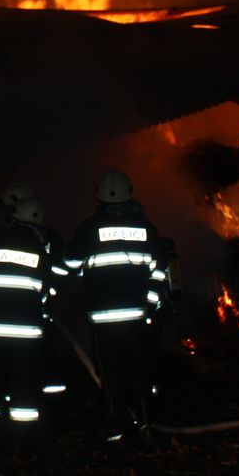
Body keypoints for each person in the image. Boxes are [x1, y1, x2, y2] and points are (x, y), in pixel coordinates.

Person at [65, 169, 177, 442]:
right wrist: (150, 304)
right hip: (138, 317)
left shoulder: (89, 228)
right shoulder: (146, 229)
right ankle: (146, 420)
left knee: (111, 371)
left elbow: (70, 262)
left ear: (99, 197)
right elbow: (160, 270)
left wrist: (88, 267)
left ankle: (118, 426)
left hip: (103, 319)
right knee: (140, 367)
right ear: (130, 195)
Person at [0, 195, 60, 439]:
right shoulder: (37, 247)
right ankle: (23, 439)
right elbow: (46, 288)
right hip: (26, 332)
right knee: (24, 385)